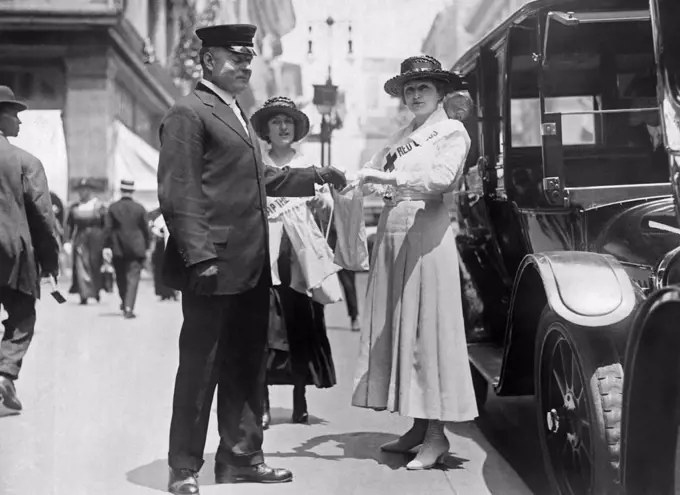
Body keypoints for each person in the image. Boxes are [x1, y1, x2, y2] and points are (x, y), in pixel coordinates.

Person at [157, 24, 346, 494]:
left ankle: (240, 457)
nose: (246, 64)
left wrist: (315, 175)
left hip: (249, 266)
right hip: (213, 268)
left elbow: (261, 181)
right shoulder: (189, 112)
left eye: (249, 57)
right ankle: (183, 467)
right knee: (200, 368)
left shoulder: (233, 112)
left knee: (245, 365)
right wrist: (199, 258)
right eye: (236, 56)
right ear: (208, 61)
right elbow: (179, 193)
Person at [347, 55, 479, 470]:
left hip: (427, 234)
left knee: (428, 332)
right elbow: (369, 170)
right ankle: (420, 426)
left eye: (424, 86)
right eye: (409, 88)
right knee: (402, 328)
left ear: (441, 92)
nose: (415, 94)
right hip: (393, 232)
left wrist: (388, 180)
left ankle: (438, 437)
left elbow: (441, 180)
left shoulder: (451, 131)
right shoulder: (403, 133)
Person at [250, 96, 337, 429]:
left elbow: (328, 209)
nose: (283, 127)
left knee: (301, 329)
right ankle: (264, 403)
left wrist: (321, 199)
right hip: (266, 255)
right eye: (276, 122)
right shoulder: (258, 164)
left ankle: (300, 399)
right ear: (266, 130)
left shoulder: (309, 162)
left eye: (288, 121)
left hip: (300, 259)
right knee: (265, 332)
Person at [0, 85, 60, 415]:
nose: (20, 123)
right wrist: (49, 262)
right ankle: (4, 373)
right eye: (14, 115)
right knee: (22, 316)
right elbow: (43, 216)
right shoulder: (26, 161)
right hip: (13, 253)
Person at [103, 179, 151, 319]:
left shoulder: (113, 208)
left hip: (118, 247)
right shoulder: (140, 208)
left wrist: (106, 246)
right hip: (137, 248)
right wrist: (147, 246)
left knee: (120, 277)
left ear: (121, 190)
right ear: (132, 191)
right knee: (133, 278)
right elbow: (146, 230)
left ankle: (125, 301)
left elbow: (107, 229)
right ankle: (129, 307)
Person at [65, 178, 106, 304]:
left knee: (95, 264)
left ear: (91, 191)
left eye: (86, 190)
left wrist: (107, 242)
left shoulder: (99, 206)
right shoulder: (74, 207)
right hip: (81, 238)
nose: (83, 192)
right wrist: (67, 241)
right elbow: (69, 225)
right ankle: (83, 293)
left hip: (96, 238)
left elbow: (106, 225)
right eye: (81, 190)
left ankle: (96, 290)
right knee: (80, 264)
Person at [149, 208, 177, 301]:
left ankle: (173, 292)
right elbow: (151, 228)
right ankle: (164, 292)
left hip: (172, 244)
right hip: (161, 246)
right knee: (161, 269)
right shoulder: (156, 214)